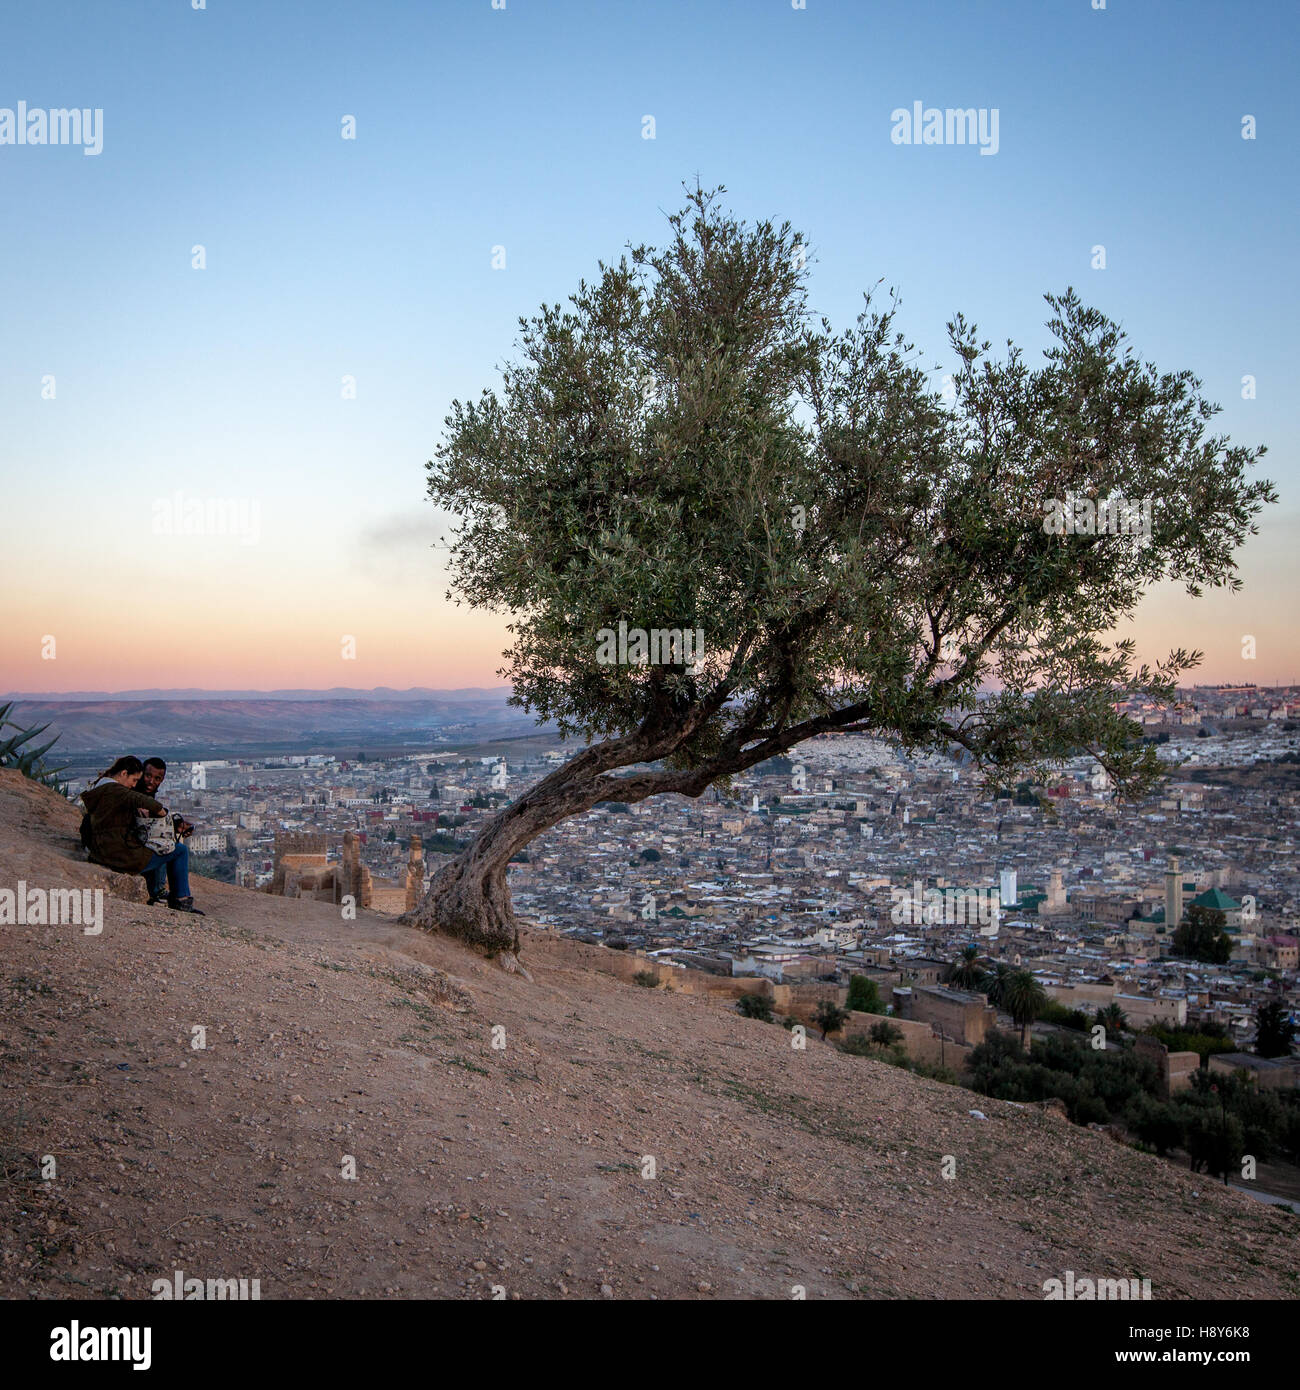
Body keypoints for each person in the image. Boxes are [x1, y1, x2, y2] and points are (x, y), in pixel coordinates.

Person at [79, 756, 204, 914]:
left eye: (157, 778)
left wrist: (174, 824)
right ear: (128, 774)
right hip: (119, 852)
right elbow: (142, 811)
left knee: (164, 845)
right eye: (147, 776)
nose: (151, 781)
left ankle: (160, 891)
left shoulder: (107, 788)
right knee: (177, 850)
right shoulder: (123, 791)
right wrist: (161, 812)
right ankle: (177, 899)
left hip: (109, 847)